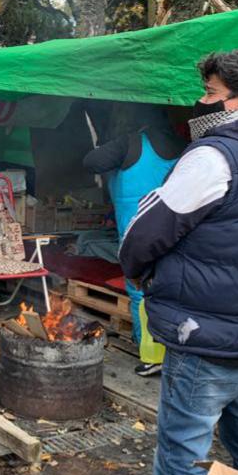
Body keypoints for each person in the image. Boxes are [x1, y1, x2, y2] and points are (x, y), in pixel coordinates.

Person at [119, 49, 238, 475]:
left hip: (204, 328)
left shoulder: (215, 157)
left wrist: (137, 270)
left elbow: (148, 232)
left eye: (210, 92)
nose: (201, 101)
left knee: (184, 454)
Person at [83, 108, 185, 376]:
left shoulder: (130, 143)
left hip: (138, 233)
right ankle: (176, 351)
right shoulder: (186, 147)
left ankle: (152, 355)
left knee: (141, 291)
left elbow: (91, 161)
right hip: (177, 228)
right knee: (176, 287)